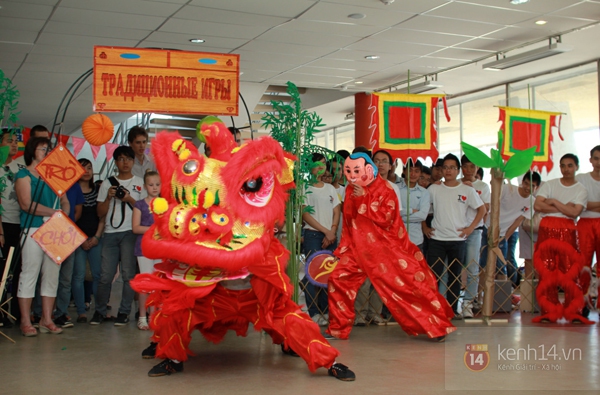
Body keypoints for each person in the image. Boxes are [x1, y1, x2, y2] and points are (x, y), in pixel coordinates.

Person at [326, 152, 455, 341]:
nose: (352, 174)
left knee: (406, 287)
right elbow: (348, 220)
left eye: (357, 170)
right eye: (349, 170)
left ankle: (436, 326)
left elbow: (386, 219)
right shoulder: (350, 189)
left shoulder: (385, 189)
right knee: (337, 280)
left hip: (383, 251)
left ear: (369, 169)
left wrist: (364, 198)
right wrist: (344, 246)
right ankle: (338, 328)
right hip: (356, 249)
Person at [14, 137, 70, 336]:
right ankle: (25, 320)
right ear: (32, 150)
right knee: (30, 273)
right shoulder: (23, 175)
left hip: (54, 229)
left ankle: (47, 319)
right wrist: (53, 213)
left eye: (49, 149)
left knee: (52, 274)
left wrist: (63, 214)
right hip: (33, 229)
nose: (47, 151)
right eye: (42, 148)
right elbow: (26, 204)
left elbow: (64, 201)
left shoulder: (55, 175)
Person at [423, 154, 485, 317]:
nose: (448, 170)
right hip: (437, 239)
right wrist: (424, 227)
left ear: (458, 170)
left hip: (458, 240)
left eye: (452, 167)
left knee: (455, 276)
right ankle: (435, 308)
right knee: (434, 275)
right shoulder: (434, 188)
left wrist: (470, 228)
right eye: (445, 167)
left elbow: (482, 209)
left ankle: (451, 310)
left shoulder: (467, 189)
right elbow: (424, 210)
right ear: (441, 170)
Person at [90, 146, 146, 326]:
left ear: (133, 161)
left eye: (128, 159)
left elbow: (145, 209)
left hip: (131, 232)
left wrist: (129, 198)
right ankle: (99, 311)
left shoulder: (140, 182)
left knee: (129, 274)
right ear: (115, 162)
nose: (125, 163)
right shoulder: (107, 183)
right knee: (105, 275)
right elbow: (99, 212)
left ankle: (124, 312)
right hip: (110, 233)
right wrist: (108, 197)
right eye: (121, 159)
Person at [533, 154, 589, 324]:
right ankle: (549, 310)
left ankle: (575, 310)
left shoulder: (581, 189)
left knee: (570, 270)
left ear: (577, 167)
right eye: (563, 165)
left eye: (570, 165)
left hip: (568, 230)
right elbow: (537, 205)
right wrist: (564, 206)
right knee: (547, 269)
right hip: (547, 229)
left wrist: (554, 202)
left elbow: (574, 213)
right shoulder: (550, 184)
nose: (566, 169)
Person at [301, 153, 341, 326]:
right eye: (317, 164)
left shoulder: (330, 188)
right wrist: (326, 231)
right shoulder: (304, 187)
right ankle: (313, 312)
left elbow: (336, 211)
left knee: (329, 275)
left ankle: (326, 311)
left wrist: (332, 231)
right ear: (310, 167)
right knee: (312, 275)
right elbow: (305, 215)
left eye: (323, 164)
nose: (321, 168)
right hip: (312, 235)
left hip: (330, 236)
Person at [72, 159, 104, 323]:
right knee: (78, 276)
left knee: (98, 275)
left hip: (95, 238)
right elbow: (71, 218)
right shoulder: (72, 190)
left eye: (90, 167)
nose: (86, 170)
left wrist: (97, 236)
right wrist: (81, 239)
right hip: (77, 239)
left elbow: (102, 216)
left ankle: (99, 310)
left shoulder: (99, 190)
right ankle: (81, 311)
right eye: (82, 167)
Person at [459, 155, 490, 318]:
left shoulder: (483, 186)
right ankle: (450, 301)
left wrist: (471, 191)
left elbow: (485, 207)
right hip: (456, 231)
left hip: (475, 230)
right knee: (452, 267)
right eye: (466, 166)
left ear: (478, 168)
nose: (469, 170)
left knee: (472, 267)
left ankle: (468, 303)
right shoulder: (455, 183)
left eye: (473, 166)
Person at [0, 129, 25, 327]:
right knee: (2, 271)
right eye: (10, 141)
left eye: (16, 141)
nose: (14, 145)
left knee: (18, 270)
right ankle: (1, 312)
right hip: (3, 224)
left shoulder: (20, 167)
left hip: (20, 223)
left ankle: (17, 313)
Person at [52, 181, 85, 328]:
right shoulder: (45, 181)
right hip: (49, 232)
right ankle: (39, 313)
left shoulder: (74, 185)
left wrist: (66, 224)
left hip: (67, 233)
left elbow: (77, 211)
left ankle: (61, 313)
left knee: (66, 278)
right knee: (47, 277)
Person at [132, 171, 161, 330]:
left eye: (157, 184)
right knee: (145, 284)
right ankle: (142, 316)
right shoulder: (140, 205)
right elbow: (135, 228)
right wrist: (154, 229)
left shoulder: (165, 204)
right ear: (144, 186)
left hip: (160, 249)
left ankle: (154, 315)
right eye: (151, 185)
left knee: (158, 284)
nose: (155, 187)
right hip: (143, 248)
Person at [576, 145, 600, 312]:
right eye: (596, 158)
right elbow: (581, 205)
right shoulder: (582, 179)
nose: (599, 162)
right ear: (591, 160)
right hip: (585, 224)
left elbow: (587, 204)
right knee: (583, 264)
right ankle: (582, 304)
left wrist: (590, 205)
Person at [398, 159, 430, 251]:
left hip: (416, 239)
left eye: (416, 171)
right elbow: (393, 212)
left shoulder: (424, 192)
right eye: (410, 170)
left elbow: (422, 216)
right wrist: (411, 211)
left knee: (416, 265)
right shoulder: (396, 189)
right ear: (404, 171)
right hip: (397, 237)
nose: (413, 174)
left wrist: (399, 218)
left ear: (420, 173)